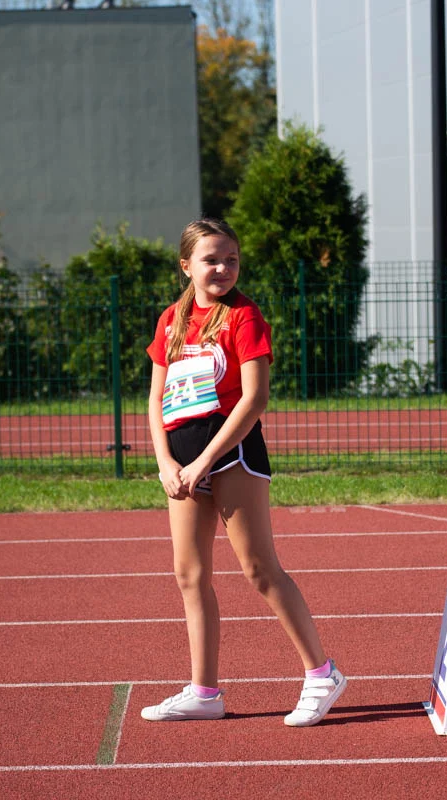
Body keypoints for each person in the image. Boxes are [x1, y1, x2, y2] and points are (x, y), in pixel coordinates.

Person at [139, 218, 346, 727]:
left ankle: (322, 674)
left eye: (231, 259)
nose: (223, 268)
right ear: (185, 265)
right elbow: (155, 398)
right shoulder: (170, 320)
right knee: (190, 575)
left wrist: (206, 460)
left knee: (259, 569)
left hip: (231, 453)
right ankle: (204, 692)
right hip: (181, 460)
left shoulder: (244, 316)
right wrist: (166, 463)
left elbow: (255, 398)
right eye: (211, 259)